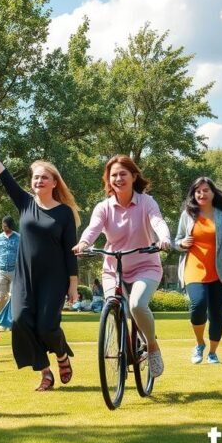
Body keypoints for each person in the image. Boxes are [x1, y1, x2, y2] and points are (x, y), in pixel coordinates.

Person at [0, 127, 80, 391]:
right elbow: (3, 175)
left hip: (54, 278)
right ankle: (45, 372)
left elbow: (69, 251)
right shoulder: (25, 203)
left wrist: (73, 285)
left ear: (54, 182)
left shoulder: (64, 213)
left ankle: (62, 354)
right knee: (19, 322)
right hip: (25, 277)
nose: (38, 181)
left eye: (44, 177)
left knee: (47, 327)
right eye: (35, 177)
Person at [74, 155, 172, 378]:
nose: (118, 178)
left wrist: (164, 238)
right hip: (113, 269)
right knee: (115, 308)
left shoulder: (146, 202)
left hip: (145, 266)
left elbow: (158, 221)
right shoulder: (104, 207)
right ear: (108, 180)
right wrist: (83, 243)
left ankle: (152, 346)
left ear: (133, 176)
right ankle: (124, 350)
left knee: (136, 305)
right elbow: (93, 228)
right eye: (114, 175)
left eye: (123, 174)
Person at [174, 176, 222, 365]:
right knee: (198, 305)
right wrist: (181, 243)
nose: (201, 194)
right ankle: (199, 343)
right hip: (193, 268)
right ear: (193, 194)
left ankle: (212, 352)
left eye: (205, 190)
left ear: (213, 193)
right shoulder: (188, 214)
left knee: (216, 313)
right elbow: (176, 240)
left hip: (220, 271)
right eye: (198, 191)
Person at [0, 216, 20, 323]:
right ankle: (3, 321)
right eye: (3, 225)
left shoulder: (19, 237)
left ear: (11, 225)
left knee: (14, 296)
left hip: (15, 271)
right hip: (0, 270)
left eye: (6, 226)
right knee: (1, 296)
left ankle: (13, 320)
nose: (4, 227)